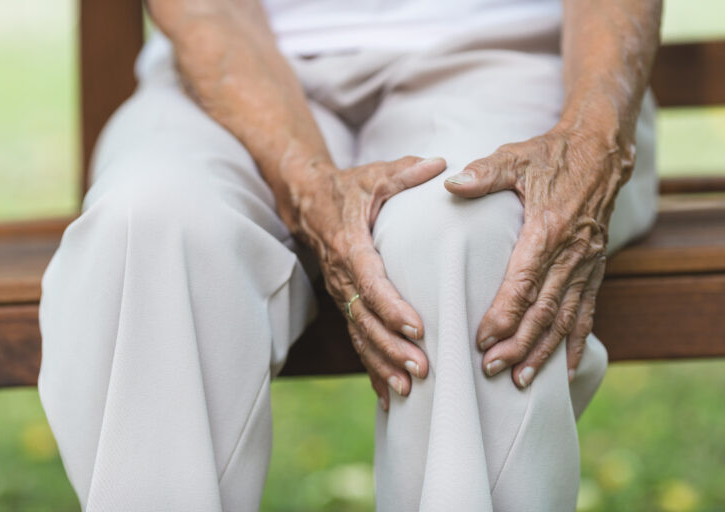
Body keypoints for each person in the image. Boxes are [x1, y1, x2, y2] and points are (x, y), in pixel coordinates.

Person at [37, 0, 662, 510]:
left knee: (467, 236)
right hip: (227, 61)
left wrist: (593, 140)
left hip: (514, 53)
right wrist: (305, 184)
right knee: (151, 228)